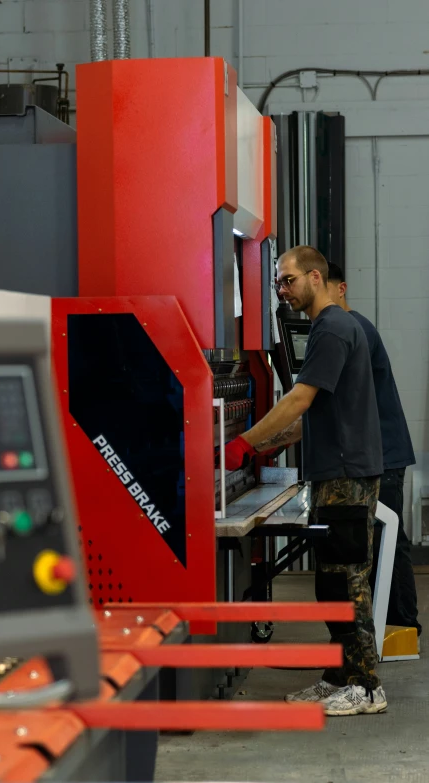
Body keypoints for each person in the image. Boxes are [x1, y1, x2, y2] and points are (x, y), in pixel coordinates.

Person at [224, 245, 387, 716]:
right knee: (331, 584)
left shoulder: (333, 327)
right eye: (278, 282)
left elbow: (299, 398)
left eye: (288, 280)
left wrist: (246, 444)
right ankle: (339, 677)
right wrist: (275, 443)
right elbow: (314, 413)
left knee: (347, 582)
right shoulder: (330, 327)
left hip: (346, 474)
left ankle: (366, 686)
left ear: (316, 278)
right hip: (334, 471)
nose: (282, 290)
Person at [327, 262, 420, 636]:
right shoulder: (352, 327)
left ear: (340, 288)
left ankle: (402, 625)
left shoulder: (355, 329)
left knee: (390, 542)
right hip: (379, 451)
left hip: (384, 454)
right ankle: (397, 623)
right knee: (388, 541)